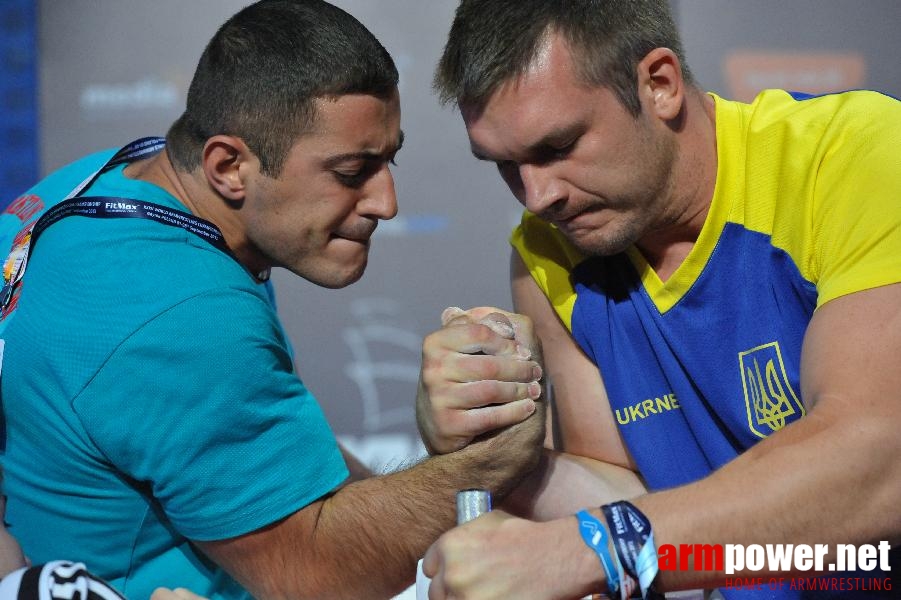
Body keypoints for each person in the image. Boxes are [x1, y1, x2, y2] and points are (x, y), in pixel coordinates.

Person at [0, 1, 545, 599]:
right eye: (352, 171)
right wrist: (493, 460)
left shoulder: (110, 182)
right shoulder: (186, 314)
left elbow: (257, 456)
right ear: (229, 166)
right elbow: (315, 576)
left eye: (388, 160)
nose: (386, 203)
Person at [416, 0, 900, 598]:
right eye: (507, 166)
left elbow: (879, 464)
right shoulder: (549, 251)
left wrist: (592, 549)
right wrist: (486, 444)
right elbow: (630, 496)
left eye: (557, 147)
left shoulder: (854, 155)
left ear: (660, 84)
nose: (537, 196)